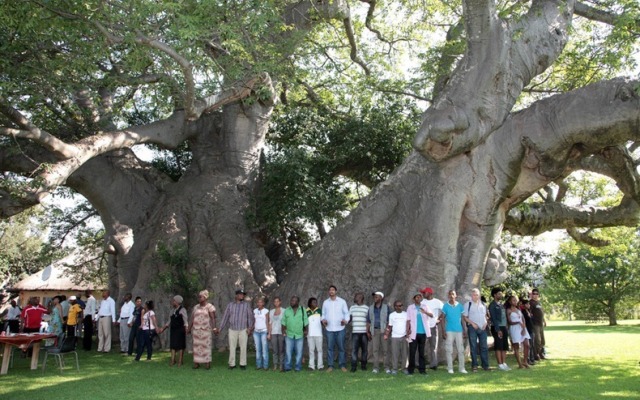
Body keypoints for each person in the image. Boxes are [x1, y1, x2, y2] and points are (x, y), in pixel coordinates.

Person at [217, 289, 254, 370]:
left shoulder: (246, 305)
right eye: (240, 294)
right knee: (232, 347)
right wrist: (220, 328)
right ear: (236, 295)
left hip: (243, 329)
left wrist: (249, 328)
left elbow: (250, 317)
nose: (242, 296)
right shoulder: (230, 305)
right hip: (232, 329)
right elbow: (225, 317)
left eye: (243, 295)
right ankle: (232, 364)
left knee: (243, 347)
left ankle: (243, 364)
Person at [321, 285, 349, 372]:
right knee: (330, 348)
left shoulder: (342, 301)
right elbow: (323, 314)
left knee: (341, 348)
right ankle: (330, 366)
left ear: (336, 291)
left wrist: (345, 320)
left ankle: (342, 365)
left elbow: (346, 313)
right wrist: (323, 320)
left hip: (340, 328)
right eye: (330, 290)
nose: (331, 291)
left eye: (333, 290)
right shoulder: (325, 302)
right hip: (329, 329)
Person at [462, 288, 490, 372]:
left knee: (484, 347)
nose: (475, 296)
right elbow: (465, 317)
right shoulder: (468, 304)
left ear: (479, 295)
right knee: (473, 346)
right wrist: (473, 324)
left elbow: (486, 316)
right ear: (471, 295)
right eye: (474, 295)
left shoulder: (483, 304)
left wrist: (486, 323)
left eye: (477, 295)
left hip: (483, 328)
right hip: (472, 328)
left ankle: (485, 365)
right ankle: (474, 365)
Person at [188, 290, 216, 369]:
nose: (199, 298)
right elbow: (192, 319)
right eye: (198, 297)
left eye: (201, 296)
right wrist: (189, 328)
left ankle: (207, 363)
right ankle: (196, 363)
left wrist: (214, 327)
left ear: (205, 297)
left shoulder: (209, 307)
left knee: (206, 347)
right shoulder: (196, 307)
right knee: (196, 347)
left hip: (205, 330)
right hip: (196, 330)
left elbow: (213, 318)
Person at [406, 292, 433, 375]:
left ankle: (422, 370)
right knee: (412, 352)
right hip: (413, 333)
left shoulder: (425, 306)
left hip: (423, 333)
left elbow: (431, 315)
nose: (418, 299)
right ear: (414, 299)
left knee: (421, 352)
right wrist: (407, 331)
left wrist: (425, 312)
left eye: (419, 297)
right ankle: (411, 370)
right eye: (416, 297)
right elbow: (408, 320)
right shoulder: (410, 307)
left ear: (421, 298)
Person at [442, 290, 467, 374]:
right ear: (448, 295)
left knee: (461, 350)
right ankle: (450, 368)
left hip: (459, 330)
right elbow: (442, 319)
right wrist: (443, 330)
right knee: (449, 350)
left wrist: (464, 330)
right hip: (449, 330)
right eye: (450, 294)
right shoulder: (445, 306)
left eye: (453, 294)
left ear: (456, 295)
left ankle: (462, 368)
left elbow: (463, 319)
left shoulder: (460, 306)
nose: (451, 295)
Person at [159, 295, 189, 367]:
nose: (173, 302)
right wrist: (163, 328)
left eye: (174, 301)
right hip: (173, 330)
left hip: (180, 330)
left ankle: (180, 361)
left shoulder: (183, 310)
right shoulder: (172, 311)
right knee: (173, 345)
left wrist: (186, 329)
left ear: (177, 302)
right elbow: (169, 321)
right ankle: (172, 360)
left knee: (181, 345)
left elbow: (185, 321)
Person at [281, 295, 308, 372]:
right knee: (288, 352)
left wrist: (306, 330)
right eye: (291, 300)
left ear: (297, 302)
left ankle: (298, 367)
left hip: (299, 335)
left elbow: (305, 321)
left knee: (299, 353)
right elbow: (283, 321)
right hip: (289, 334)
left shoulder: (303, 310)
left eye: (293, 301)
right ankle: (287, 367)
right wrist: (283, 331)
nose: (291, 302)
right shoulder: (287, 310)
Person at [367, 291, 391, 374]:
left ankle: (386, 367)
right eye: (374, 297)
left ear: (381, 298)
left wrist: (387, 332)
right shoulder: (370, 308)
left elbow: (389, 321)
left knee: (385, 350)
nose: (375, 298)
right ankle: (375, 368)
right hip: (374, 331)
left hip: (383, 330)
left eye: (377, 297)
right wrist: (368, 332)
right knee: (375, 350)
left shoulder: (386, 307)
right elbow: (368, 321)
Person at [420, 287, 444, 370]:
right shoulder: (422, 302)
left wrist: (439, 319)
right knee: (421, 346)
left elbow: (444, 311)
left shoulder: (437, 302)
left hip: (433, 327)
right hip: (423, 327)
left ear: (430, 293)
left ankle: (433, 364)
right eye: (423, 293)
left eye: (424, 293)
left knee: (433, 346)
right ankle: (419, 363)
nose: (423, 294)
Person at [489, 287, 511, 371]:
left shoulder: (501, 304)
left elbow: (504, 316)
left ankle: (504, 363)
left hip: (504, 327)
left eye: (501, 293)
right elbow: (494, 318)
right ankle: (500, 364)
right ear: (494, 295)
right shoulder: (492, 305)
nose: (501, 295)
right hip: (497, 327)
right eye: (499, 293)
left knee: (504, 345)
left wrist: (506, 326)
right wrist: (498, 330)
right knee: (498, 346)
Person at [384, 300, 408, 375]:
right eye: (397, 306)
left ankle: (404, 368)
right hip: (395, 336)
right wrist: (386, 334)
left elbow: (409, 325)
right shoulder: (392, 315)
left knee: (405, 354)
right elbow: (390, 326)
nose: (399, 307)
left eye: (400, 305)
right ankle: (395, 369)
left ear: (402, 306)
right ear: (394, 307)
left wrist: (408, 333)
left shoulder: (406, 314)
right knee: (395, 354)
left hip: (404, 336)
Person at [506, 295, 530, 369]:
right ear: (510, 302)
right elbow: (509, 322)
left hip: (522, 328)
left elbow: (523, 319)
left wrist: (523, 327)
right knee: (516, 346)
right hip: (514, 328)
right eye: (513, 300)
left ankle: (525, 361)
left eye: (516, 300)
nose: (515, 301)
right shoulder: (508, 310)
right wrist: (517, 323)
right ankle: (520, 364)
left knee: (527, 344)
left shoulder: (518, 309)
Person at [349, 292, 369, 372]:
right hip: (355, 332)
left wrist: (368, 332)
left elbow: (368, 321)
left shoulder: (367, 308)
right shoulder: (352, 308)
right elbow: (349, 319)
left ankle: (363, 365)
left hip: (364, 333)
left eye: (356, 296)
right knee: (354, 350)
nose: (354, 298)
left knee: (364, 350)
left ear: (360, 298)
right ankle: (353, 366)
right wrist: (344, 321)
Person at [306, 297, 323, 371]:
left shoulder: (319, 310)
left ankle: (320, 366)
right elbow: (305, 323)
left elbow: (322, 320)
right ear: (310, 303)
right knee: (311, 350)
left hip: (318, 333)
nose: (315, 304)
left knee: (319, 350)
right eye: (314, 302)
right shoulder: (306, 311)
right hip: (310, 334)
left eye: (316, 302)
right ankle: (311, 366)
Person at [268, 296, 285, 371]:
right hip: (274, 332)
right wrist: (269, 333)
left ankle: (281, 365)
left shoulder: (284, 311)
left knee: (281, 349)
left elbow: (285, 322)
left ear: (280, 302)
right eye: (275, 301)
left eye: (277, 301)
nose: (276, 303)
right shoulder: (271, 312)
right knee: (275, 350)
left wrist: (285, 331)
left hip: (281, 332)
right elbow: (270, 323)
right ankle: (275, 364)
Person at [253, 297, 270, 370]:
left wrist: (268, 332)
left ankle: (265, 365)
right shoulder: (255, 311)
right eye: (258, 302)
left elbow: (268, 322)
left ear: (263, 303)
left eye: (261, 302)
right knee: (257, 349)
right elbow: (254, 321)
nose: (259, 303)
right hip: (256, 331)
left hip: (263, 331)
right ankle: (258, 365)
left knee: (264, 349)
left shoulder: (266, 311)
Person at [530, 288, 546, 360]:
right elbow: (530, 313)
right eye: (534, 294)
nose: (535, 295)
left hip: (540, 323)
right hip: (535, 324)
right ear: (531, 294)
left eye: (536, 294)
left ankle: (541, 353)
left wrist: (544, 320)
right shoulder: (531, 303)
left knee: (542, 340)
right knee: (537, 340)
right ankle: (536, 354)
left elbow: (541, 312)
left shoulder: (539, 302)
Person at [520, 298, 536, 365]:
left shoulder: (529, 311)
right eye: (526, 304)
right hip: (527, 330)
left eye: (528, 304)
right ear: (523, 305)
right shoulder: (523, 312)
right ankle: (528, 359)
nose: (528, 305)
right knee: (528, 345)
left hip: (531, 329)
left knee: (532, 345)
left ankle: (532, 358)